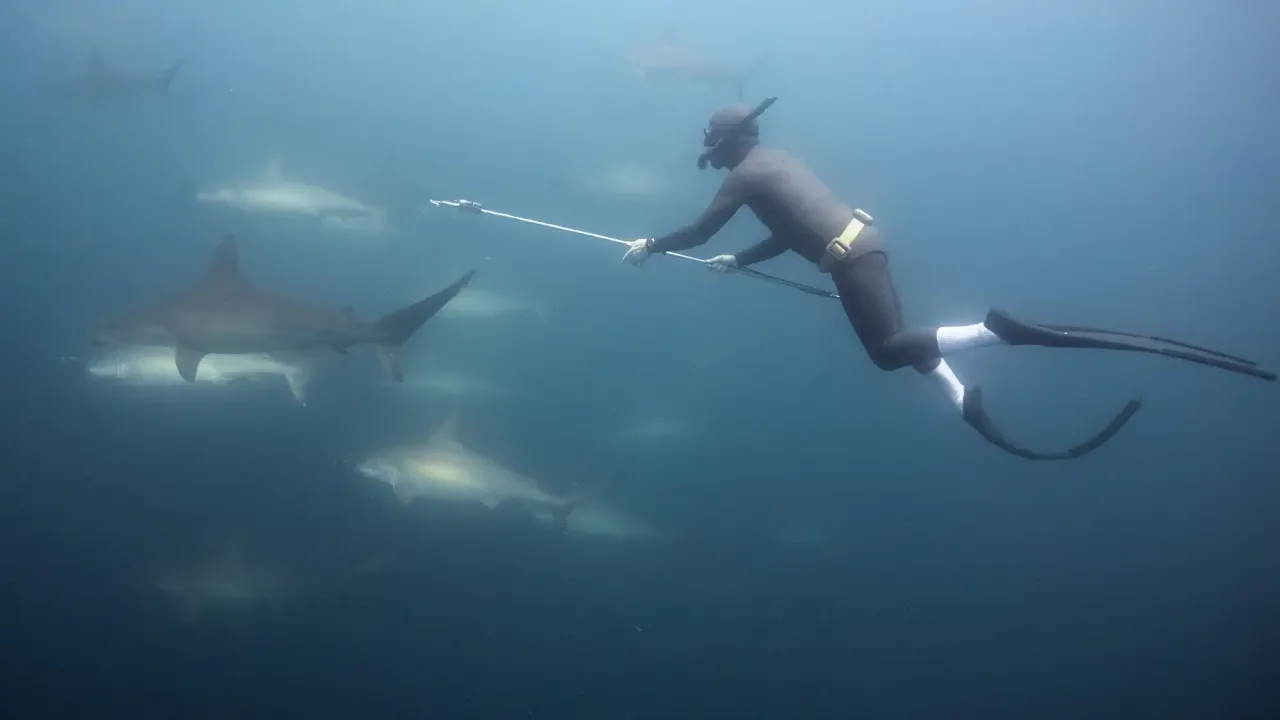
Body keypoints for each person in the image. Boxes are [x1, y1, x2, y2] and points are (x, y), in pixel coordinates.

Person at [620, 97, 1275, 461]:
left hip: (849, 259)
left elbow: (700, 231)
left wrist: (651, 245)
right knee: (904, 344)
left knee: (886, 353)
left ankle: (994, 332)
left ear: (728, 145)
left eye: (715, 150)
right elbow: (792, 230)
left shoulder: (745, 176)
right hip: (861, 244)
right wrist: (741, 261)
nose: (715, 160)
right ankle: (964, 403)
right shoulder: (776, 162)